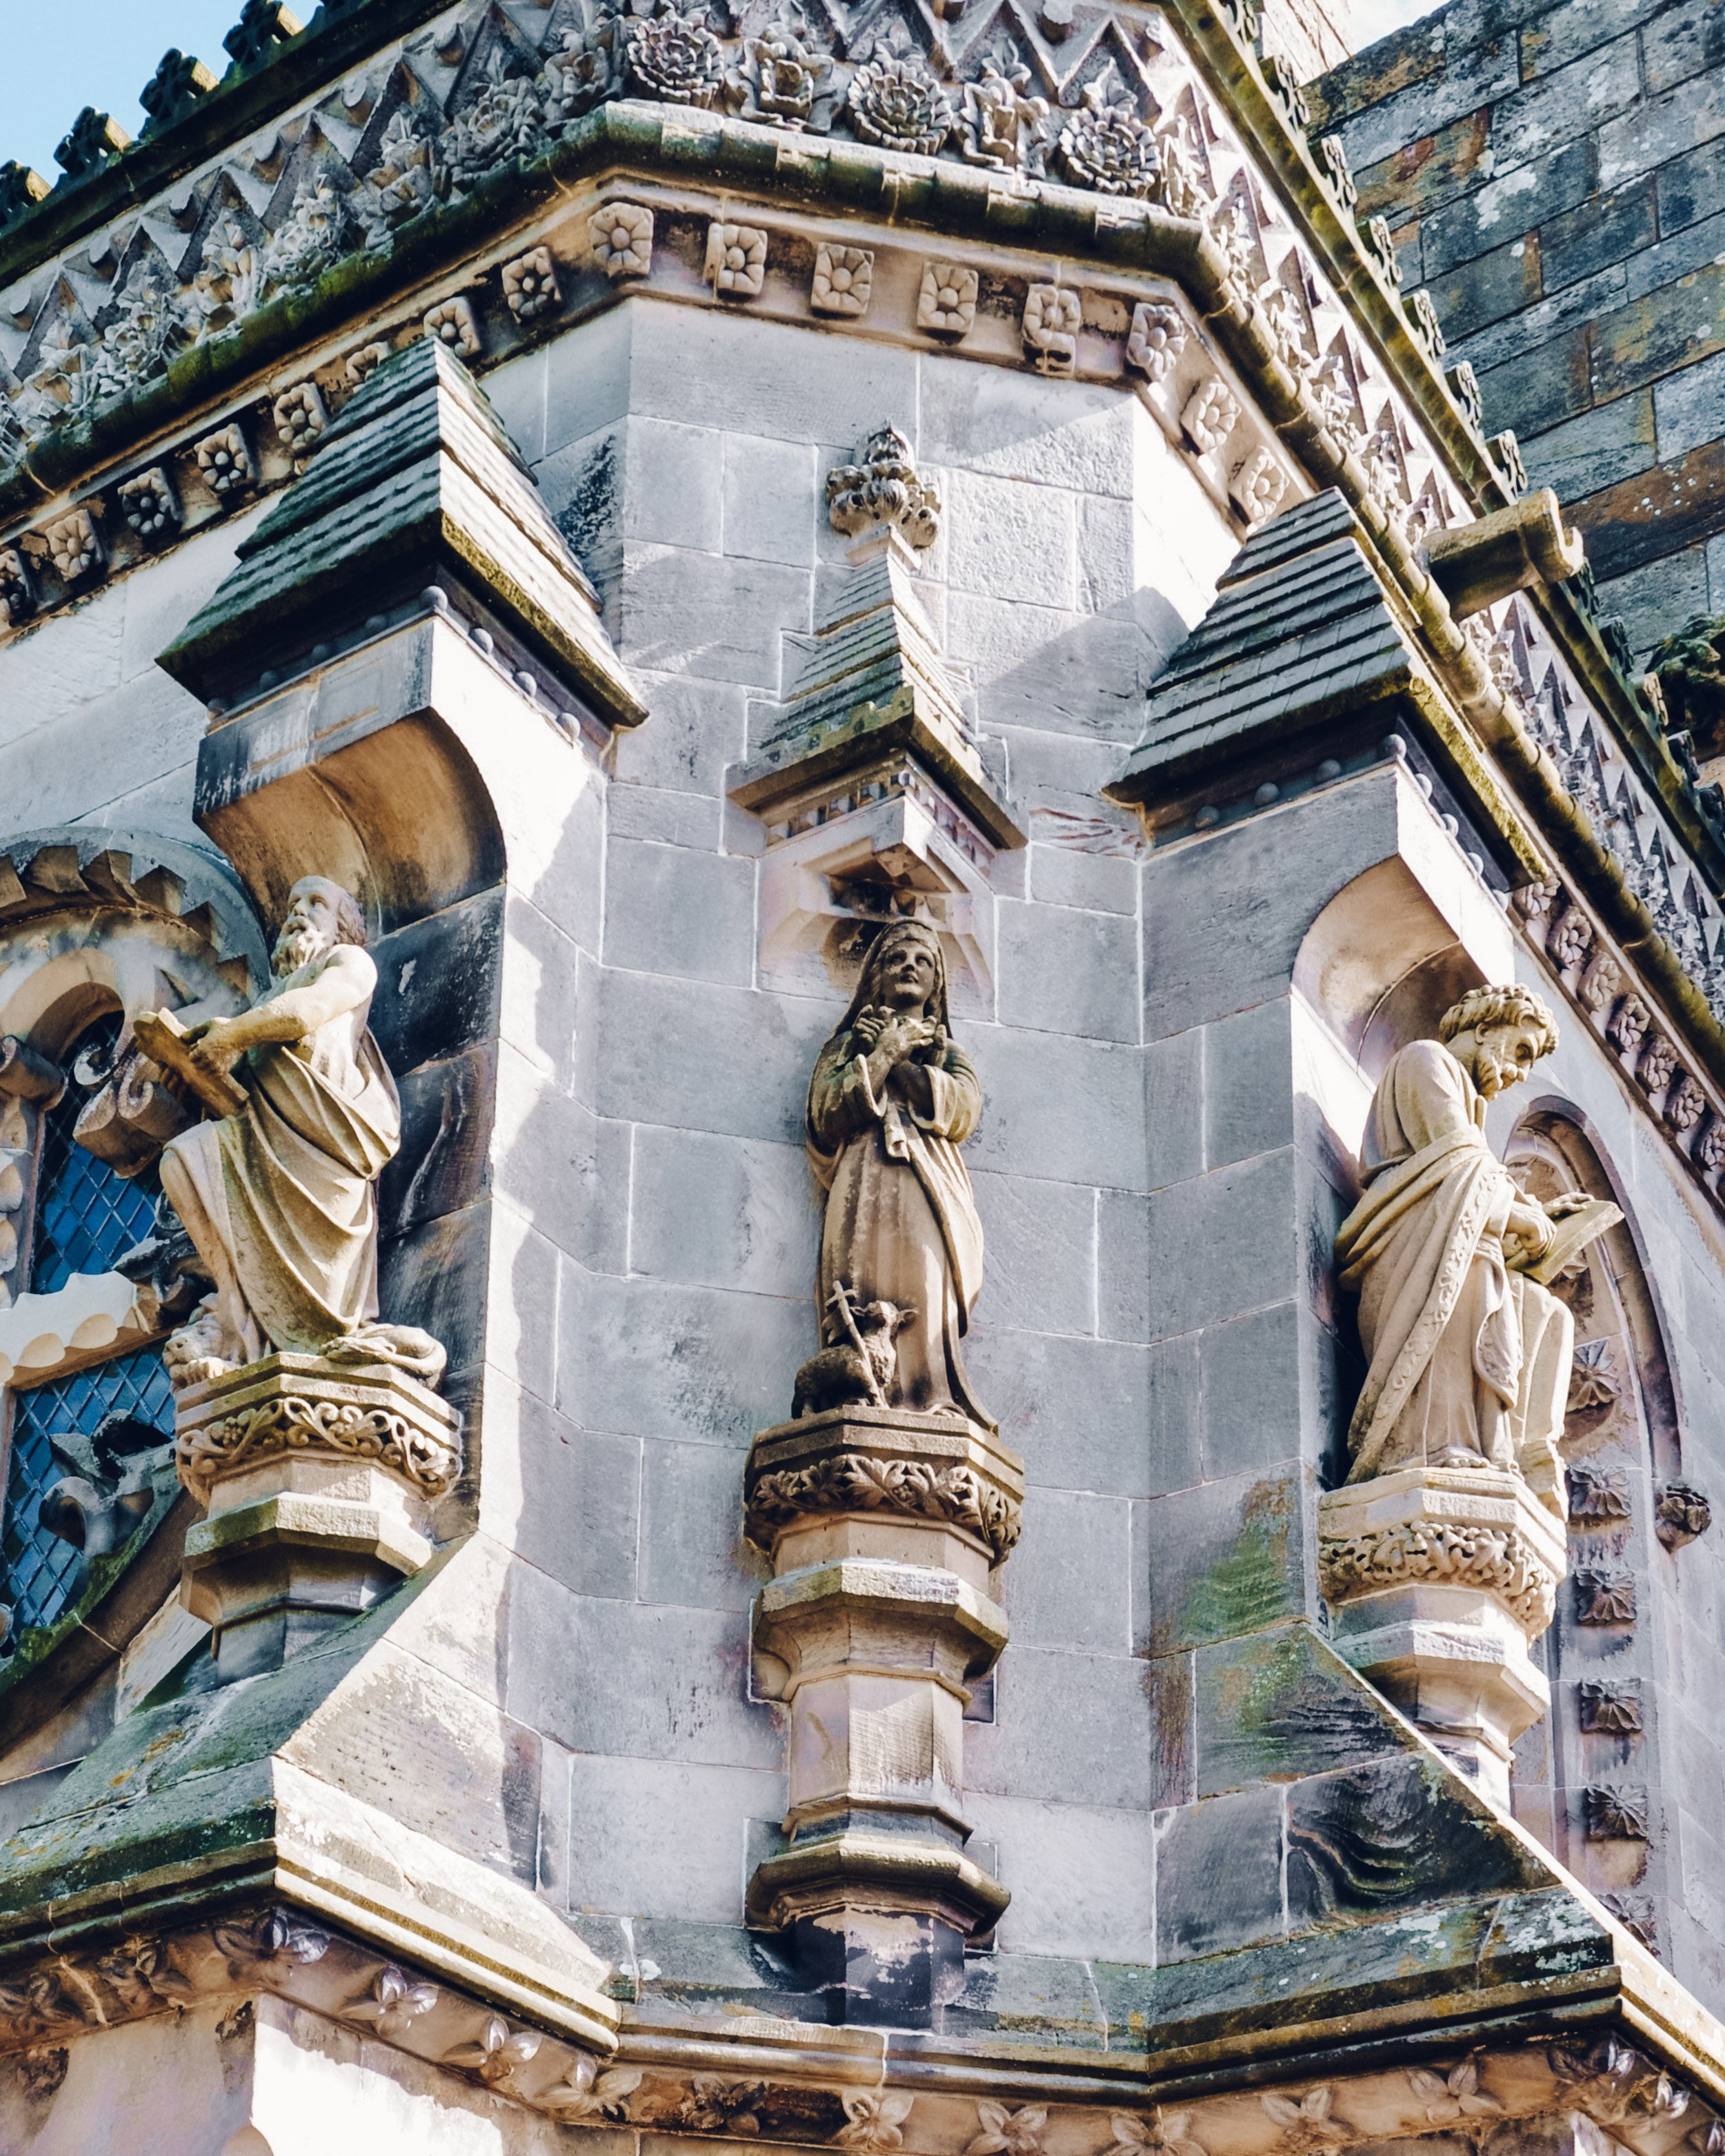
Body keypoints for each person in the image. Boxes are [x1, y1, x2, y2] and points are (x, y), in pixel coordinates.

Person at [155, 876, 437, 1386]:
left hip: (322, 1143)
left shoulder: (347, 964)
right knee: (182, 1160)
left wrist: (233, 1033)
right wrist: (195, 1074)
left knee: (327, 1291)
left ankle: (328, 1344)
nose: (297, 913)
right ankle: (240, 1317)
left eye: (316, 904)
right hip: (260, 1140)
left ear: (343, 928)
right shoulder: (270, 996)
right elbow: (241, 1090)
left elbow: (307, 1013)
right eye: (292, 904)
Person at [1335, 984, 1588, 1507]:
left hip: (1448, 1234)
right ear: (1483, 1027)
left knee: (1548, 1313)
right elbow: (1459, 1168)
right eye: (1520, 1051)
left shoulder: (1470, 1101)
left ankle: (1525, 1453)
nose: (1520, 1073)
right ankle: (1434, 1445)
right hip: (1413, 1247)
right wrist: (1525, 1217)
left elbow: (1471, 1185)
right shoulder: (1425, 1061)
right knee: (1475, 1272)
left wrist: (1536, 1218)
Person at [805, 919, 995, 1430]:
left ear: (936, 985)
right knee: (861, 1278)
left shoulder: (948, 1054)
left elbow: (961, 1108)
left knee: (924, 1281)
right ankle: (856, 1384)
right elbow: (826, 1114)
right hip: (863, 1180)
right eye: (896, 959)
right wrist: (880, 1052)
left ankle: (928, 1392)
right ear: (877, 977)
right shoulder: (847, 1048)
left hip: (926, 1183)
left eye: (923, 961)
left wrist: (901, 1058)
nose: (910, 966)